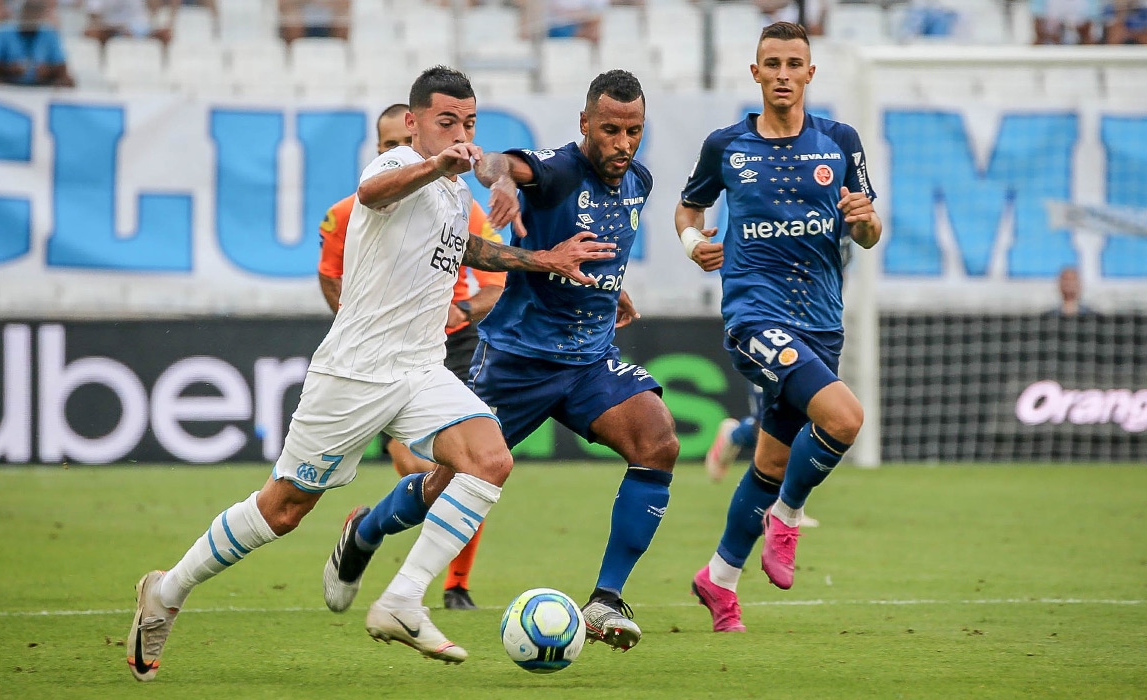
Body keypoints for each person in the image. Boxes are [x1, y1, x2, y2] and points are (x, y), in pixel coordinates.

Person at [125, 65, 617, 680]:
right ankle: (166, 592)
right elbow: (374, 196)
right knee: (283, 509)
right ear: (413, 124)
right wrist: (438, 163)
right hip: (355, 373)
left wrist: (543, 260)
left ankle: (403, 599)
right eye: (446, 123)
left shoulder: (450, 192)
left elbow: (468, 250)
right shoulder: (392, 167)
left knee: (489, 459)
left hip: (419, 367)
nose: (460, 136)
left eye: (468, 124)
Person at [324, 69, 680, 653]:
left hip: (588, 360)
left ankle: (606, 599)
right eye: (610, 130)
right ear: (585, 125)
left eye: (633, 130)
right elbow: (503, 163)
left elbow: (594, 250)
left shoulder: (637, 180)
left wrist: (609, 287)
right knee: (444, 485)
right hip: (518, 360)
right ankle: (363, 531)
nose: (622, 143)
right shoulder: (558, 167)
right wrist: (505, 181)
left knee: (658, 442)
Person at [674, 22, 881, 632]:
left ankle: (719, 578)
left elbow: (868, 234)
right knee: (845, 418)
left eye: (796, 63)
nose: (784, 74)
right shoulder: (727, 145)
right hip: (755, 316)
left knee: (768, 462)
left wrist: (864, 219)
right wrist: (692, 242)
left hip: (821, 321)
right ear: (756, 72)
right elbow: (690, 204)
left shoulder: (840, 142)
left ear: (810, 74)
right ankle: (786, 520)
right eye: (773, 63)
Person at [316, 102, 506, 611]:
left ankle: (455, 585)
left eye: (401, 145)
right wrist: (363, 317)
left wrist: (459, 308)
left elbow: (494, 282)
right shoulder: (347, 212)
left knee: (478, 461)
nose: (396, 154)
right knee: (414, 466)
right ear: (379, 150)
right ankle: (370, 533)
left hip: (456, 343)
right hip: (382, 352)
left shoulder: (461, 203)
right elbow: (330, 276)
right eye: (387, 147)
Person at [0, 0, 74, 87]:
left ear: (40, 15)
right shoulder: (3, 31)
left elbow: (63, 72)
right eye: (28, 11)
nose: (31, 16)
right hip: (7, 91)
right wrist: (8, 69)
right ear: (20, 12)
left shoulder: (50, 33)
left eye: (35, 13)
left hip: (41, 91)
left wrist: (48, 71)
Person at [85, 0, 180, 45]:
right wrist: (119, 28)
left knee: (166, 34)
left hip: (139, 28)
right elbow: (93, 16)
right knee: (91, 32)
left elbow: (153, 9)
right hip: (111, 29)